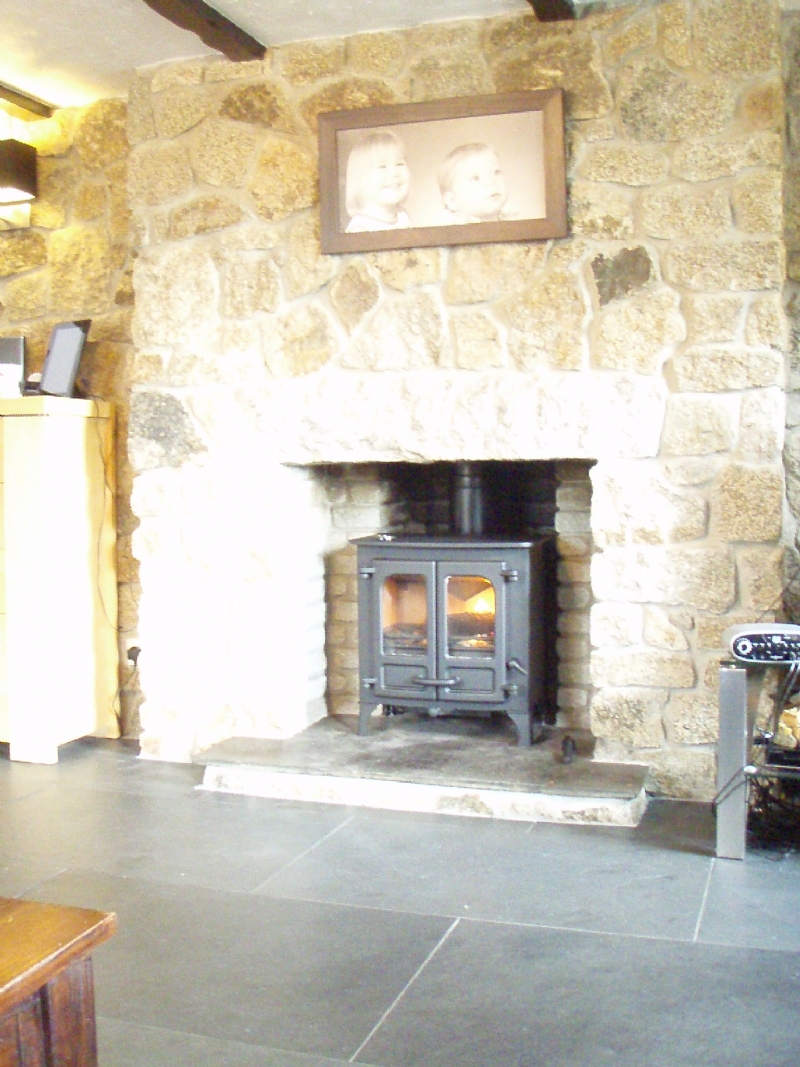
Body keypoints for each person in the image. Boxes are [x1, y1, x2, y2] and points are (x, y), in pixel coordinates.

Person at [344, 129, 411, 233]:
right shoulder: (359, 230)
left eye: (400, 164)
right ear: (360, 180)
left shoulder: (402, 217)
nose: (393, 173)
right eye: (382, 166)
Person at [438, 142, 510, 224]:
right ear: (452, 201)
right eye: (476, 178)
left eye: (496, 172)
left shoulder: (515, 230)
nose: (492, 181)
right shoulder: (451, 235)